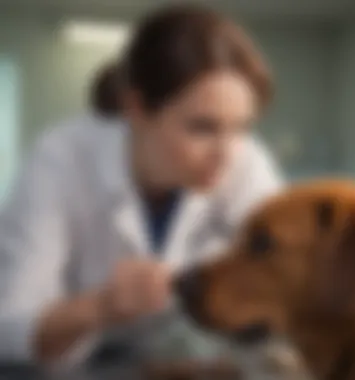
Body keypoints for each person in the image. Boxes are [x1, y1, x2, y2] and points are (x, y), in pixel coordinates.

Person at [0, 5, 283, 366]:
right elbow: (8, 329)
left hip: (175, 362)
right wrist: (101, 306)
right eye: (202, 128)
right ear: (135, 108)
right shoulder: (60, 161)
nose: (226, 155)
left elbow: (289, 273)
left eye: (242, 127)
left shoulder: (244, 161)